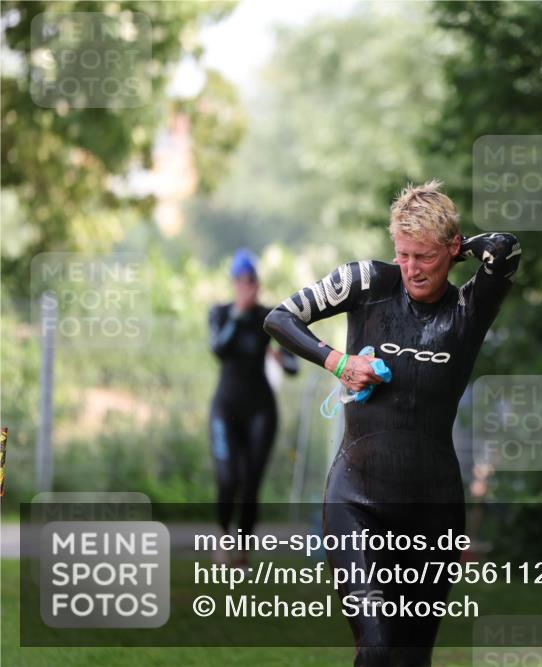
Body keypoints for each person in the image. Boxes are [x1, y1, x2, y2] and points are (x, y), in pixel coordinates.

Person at [264, 179, 521, 666]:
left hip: (433, 510)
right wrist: (338, 362)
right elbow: (279, 319)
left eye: (424, 257)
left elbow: (506, 248)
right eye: (402, 254)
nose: (411, 269)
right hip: (357, 501)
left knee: (410, 658)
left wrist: (462, 247)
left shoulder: (471, 306)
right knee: (378, 646)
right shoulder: (368, 284)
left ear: (451, 250)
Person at [208, 249, 299, 566]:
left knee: (251, 481)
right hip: (226, 407)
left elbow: (293, 366)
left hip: (260, 410)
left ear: (257, 282)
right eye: (241, 280)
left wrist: (279, 356)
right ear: (234, 283)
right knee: (227, 477)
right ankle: (222, 537)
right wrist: (238, 313)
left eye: (252, 280)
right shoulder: (220, 313)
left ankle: (242, 548)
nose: (247, 285)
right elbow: (218, 349)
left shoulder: (267, 317)